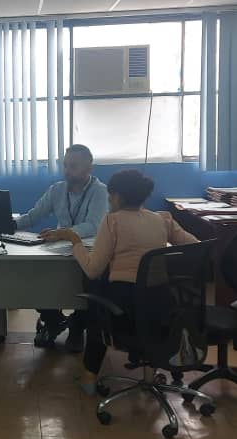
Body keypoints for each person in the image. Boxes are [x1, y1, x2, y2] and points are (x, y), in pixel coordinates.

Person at [43, 169, 199, 394]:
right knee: (107, 295)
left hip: (124, 311)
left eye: (110, 195)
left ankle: (89, 377)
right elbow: (197, 247)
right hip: (163, 306)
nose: (108, 200)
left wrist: (74, 240)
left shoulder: (112, 221)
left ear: (117, 196)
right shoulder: (163, 219)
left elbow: (92, 270)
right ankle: (149, 374)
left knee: (96, 298)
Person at [14, 144, 109, 351]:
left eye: (73, 166)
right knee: (34, 280)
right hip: (58, 250)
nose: (67, 171)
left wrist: (63, 233)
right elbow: (33, 215)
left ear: (89, 168)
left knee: (87, 289)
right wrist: (10, 224)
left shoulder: (100, 191)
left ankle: (77, 325)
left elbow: (94, 225)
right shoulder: (57, 189)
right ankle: (54, 320)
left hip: (88, 251)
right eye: (65, 165)